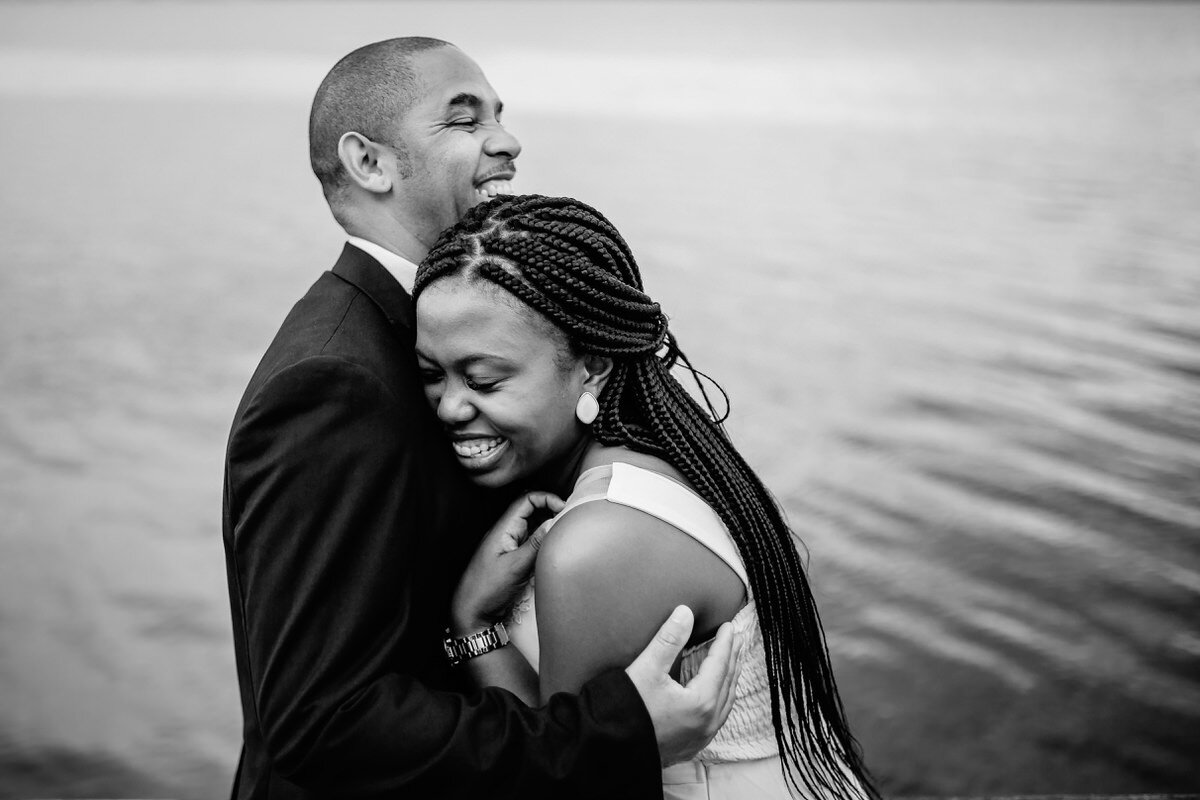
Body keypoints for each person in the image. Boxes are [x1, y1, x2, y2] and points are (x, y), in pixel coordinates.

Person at [221, 38, 741, 800]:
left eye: (500, 116)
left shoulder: (433, 327)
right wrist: (603, 736)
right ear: (370, 164)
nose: (507, 140)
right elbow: (320, 721)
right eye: (464, 122)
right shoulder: (333, 381)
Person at [412, 194, 880, 800]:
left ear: (593, 366)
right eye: (430, 374)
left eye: (484, 381)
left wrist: (472, 625)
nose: (449, 406)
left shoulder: (599, 544)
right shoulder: (666, 457)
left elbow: (562, 780)